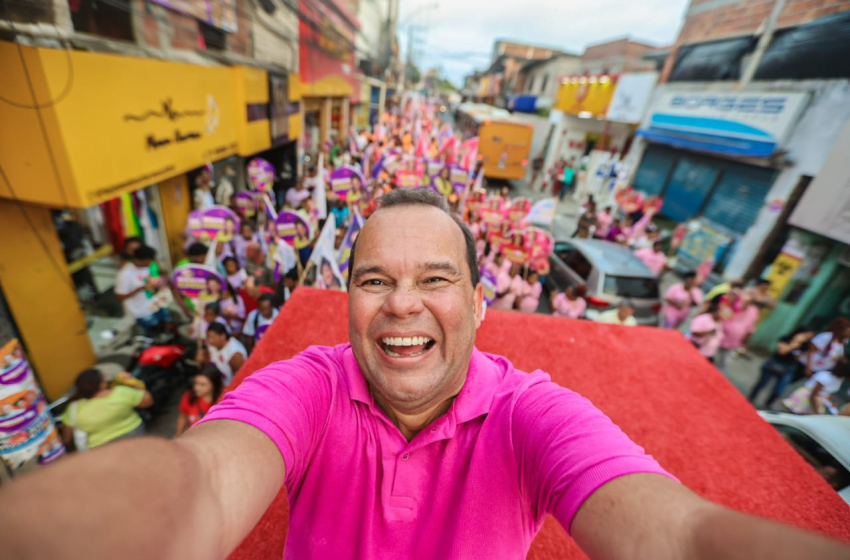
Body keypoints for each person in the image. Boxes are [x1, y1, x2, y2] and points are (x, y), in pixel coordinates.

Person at [3, 191, 850, 560]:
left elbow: (679, 535)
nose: (402, 305)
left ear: (481, 306)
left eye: (435, 279)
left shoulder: (534, 415)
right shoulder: (308, 385)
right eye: (375, 280)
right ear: (348, 301)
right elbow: (199, 475)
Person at [60, 369, 153, 449]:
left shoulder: (73, 409)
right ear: (102, 385)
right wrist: (134, 382)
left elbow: (66, 438)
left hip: (102, 451)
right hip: (136, 438)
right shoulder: (121, 393)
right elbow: (148, 401)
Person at [749, 329, 815, 408]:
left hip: (789, 368)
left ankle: (767, 405)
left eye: (808, 338)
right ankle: (751, 398)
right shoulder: (786, 339)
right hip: (775, 362)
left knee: (778, 390)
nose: (805, 339)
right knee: (762, 383)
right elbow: (782, 351)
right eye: (805, 336)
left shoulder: (803, 347)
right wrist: (794, 343)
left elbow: (800, 358)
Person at [114, 245, 171, 336]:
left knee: (164, 329)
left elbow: (154, 279)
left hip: (154, 305)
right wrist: (141, 288)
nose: (151, 263)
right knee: (151, 335)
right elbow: (119, 297)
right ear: (141, 260)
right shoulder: (124, 274)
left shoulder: (146, 267)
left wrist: (159, 284)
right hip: (140, 312)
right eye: (149, 261)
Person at [782, 362, 849, 415]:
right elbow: (813, 395)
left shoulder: (839, 380)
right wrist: (816, 411)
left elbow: (825, 391)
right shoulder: (825, 377)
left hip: (817, 401)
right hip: (806, 399)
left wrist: (832, 400)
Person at [175, 365, 224, 437]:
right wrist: (178, 435)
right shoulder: (189, 397)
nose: (197, 388)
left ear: (214, 385)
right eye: (196, 383)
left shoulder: (222, 400)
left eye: (202, 385)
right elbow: (183, 416)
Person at [715, 295, 761, 370]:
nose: (743, 303)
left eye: (747, 302)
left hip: (735, 341)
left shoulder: (753, 311)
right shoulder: (731, 305)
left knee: (724, 361)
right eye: (742, 301)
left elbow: (751, 328)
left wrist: (745, 343)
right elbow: (722, 315)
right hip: (720, 335)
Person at [203, 322, 246, 386]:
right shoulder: (212, 345)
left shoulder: (235, 354)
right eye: (208, 337)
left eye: (212, 337)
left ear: (223, 336)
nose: (209, 340)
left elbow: (240, 378)